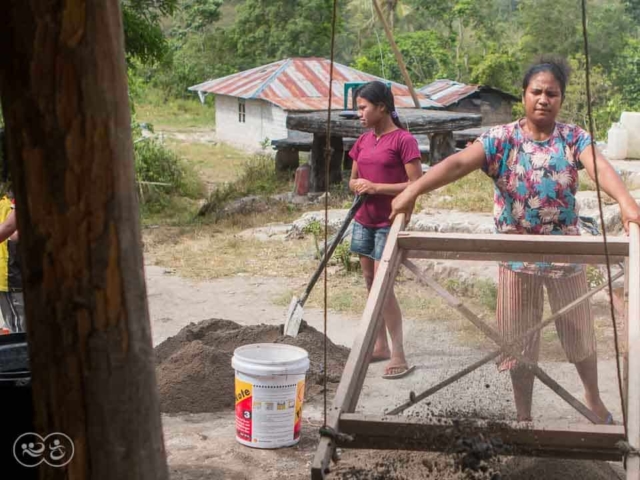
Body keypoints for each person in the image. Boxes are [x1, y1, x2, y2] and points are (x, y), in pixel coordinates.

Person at [390, 59, 640, 421]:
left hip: (566, 254)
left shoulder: (572, 137)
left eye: (551, 93)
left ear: (560, 99)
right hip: (515, 256)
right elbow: (458, 164)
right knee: (519, 342)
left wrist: (626, 201)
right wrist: (413, 191)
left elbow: (599, 166)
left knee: (580, 334)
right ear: (523, 95)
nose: (543, 99)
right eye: (536, 92)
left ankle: (593, 398)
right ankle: (524, 414)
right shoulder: (501, 139)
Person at [348, 81, 423, 379]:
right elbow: (353, 179)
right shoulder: (364, 141)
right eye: (358, 109)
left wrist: (377, 187)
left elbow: (417, 184)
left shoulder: (404, 141)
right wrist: (358, 185)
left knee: (384, 286)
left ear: (382, 107)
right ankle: (378, 345)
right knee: (369, 281)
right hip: (363, 219)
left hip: (389, 221)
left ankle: (398, 352)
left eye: (363, 108)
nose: (359, 114)